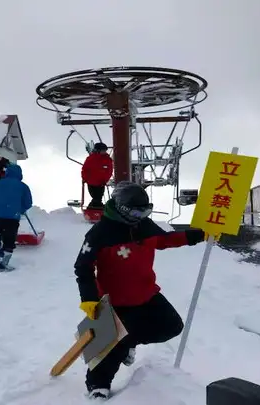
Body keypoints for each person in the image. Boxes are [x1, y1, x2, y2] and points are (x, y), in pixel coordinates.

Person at [72, 181, 206, 400]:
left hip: (147, 294)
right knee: (110, 344)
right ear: (122, 208)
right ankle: (98, 384)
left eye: (145, 211)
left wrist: (197, 235)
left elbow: (164, 240)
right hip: (116, 301)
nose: (141, 216)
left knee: (172, 326)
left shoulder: (142, 224)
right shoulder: (100, 233)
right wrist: (89, 298)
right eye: (137, 212)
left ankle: (128, 342)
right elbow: (83, 267)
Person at [0, 164, 33, 272]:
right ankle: (2, 263)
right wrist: (21, 209)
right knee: (9, 240)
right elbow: (28, 203)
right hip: (12, 216)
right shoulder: (23, 186)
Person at [81, 142, 114, 210]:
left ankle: (94, 209)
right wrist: (85, 178)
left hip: (101, 183)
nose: (104, 152)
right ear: (98, 150)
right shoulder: (91, 158)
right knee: (96, 197)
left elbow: (109, 171)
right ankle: (95, 209)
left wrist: (105, 180)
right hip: (91, 182)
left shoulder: (107, 159)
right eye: (103, 150)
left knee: (98, 197)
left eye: (105, 150)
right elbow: (85, 169)